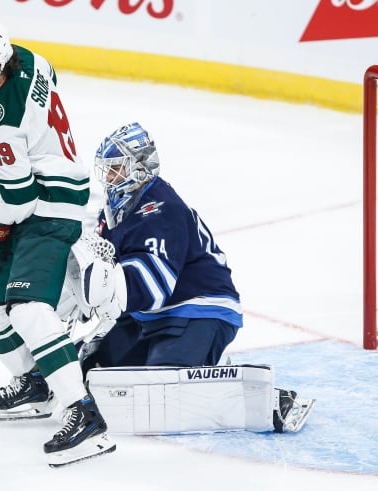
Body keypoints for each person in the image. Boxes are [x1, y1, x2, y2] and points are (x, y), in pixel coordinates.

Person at [58, 122, 314, 434]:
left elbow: (153, 288)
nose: (109, 178)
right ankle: (201, 366)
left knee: (166, 388)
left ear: (139, 167)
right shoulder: (115, 208)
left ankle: (269, 400)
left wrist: (103, 292)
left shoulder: (162, 209)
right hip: (148, 319)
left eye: (116, 169)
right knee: (99, 370)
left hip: (200, 309)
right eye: (107, 170)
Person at [0, 17, 115, 467]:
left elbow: (19, 198)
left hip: (50, 207)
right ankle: (35, 381)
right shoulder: (32, 60)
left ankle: (84, 415)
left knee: (28, 307)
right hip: (44, 191)